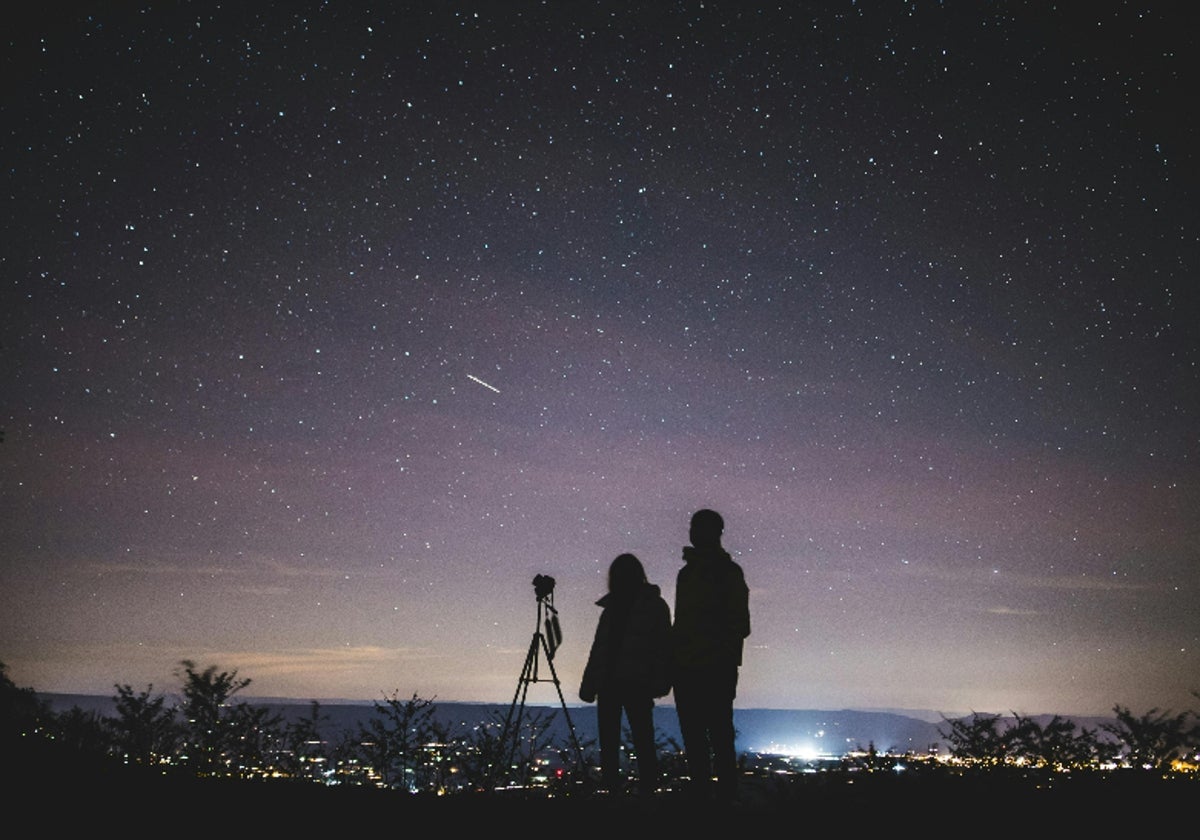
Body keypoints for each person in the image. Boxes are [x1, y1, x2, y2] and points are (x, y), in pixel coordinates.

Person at [671, 508, 750, 804]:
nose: (692, 532)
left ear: (715, 532)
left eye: (698, 527)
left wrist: (707, 647)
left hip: (713, 667)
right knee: (699, 738)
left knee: (716, 736)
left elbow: (740, 623)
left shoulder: (726, 573)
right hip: (693, 667)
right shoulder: (688, 573)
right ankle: (705, 800)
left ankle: (722, 802)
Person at [579, 552, 672, 796]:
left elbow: (663, 646)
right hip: (618, 682)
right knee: (623, 740)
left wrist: (660, 680)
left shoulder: (647, 606)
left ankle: (642, 792)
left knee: (638, 739)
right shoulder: (616, 609)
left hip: (634, 682)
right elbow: (599, 649)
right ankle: (620, 791)